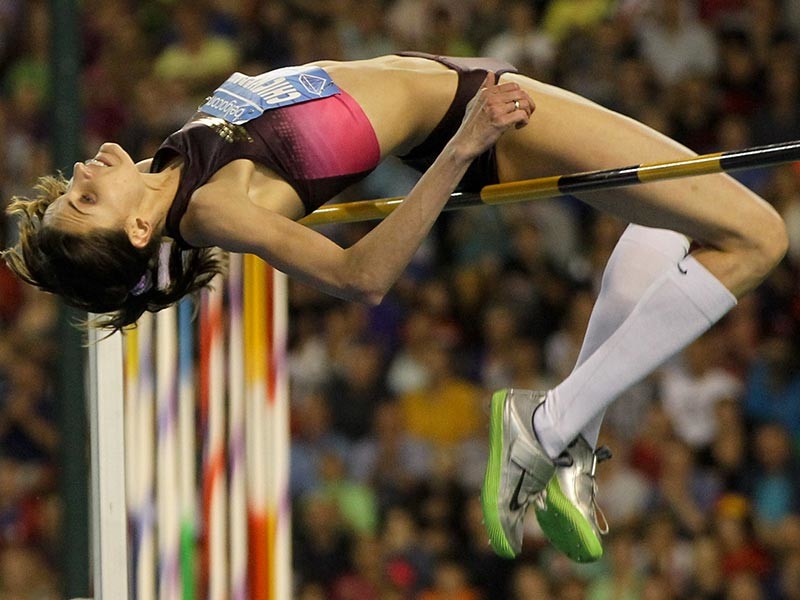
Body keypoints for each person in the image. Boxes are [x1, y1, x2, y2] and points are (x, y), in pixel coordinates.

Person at [3, 53, 787, 563]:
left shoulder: (168, 171)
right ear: (139, 230)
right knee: (759, 238)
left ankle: (572, 432)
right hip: (474, 114)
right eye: (86, 199)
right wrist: (465, 144)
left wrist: (75, 241)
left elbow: (119, 263)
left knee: (669, 214)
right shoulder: (211, 207)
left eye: (72, 188)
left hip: (462, 92)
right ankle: (549, 426)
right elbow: (361, 278)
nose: (82, 172)